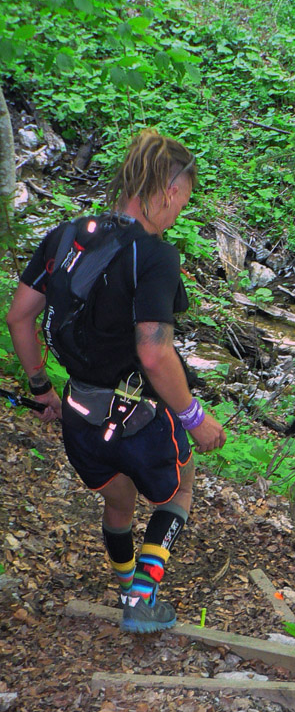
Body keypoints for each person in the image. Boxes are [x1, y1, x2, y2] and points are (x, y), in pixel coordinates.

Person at [7, 129, 226, 633]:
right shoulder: (155, 255)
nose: (179, 212)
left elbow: (19, 317)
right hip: (141, 417)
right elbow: (154, 352)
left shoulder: (66, 235)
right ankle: (141, 600)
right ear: (169, 190)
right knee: (179, 491)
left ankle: (127, 586)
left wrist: (41, 388)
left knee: (119, 500)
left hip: (80, 417)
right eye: (183, 200)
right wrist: (194, 417)